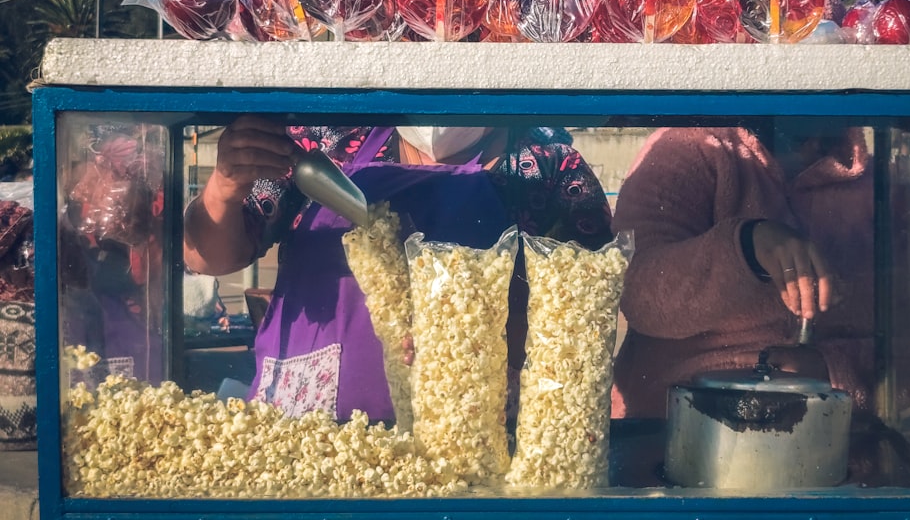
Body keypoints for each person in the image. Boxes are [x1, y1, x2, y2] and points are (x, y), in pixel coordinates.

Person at [184, 117, 613, 421]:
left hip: (462, 438)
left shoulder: (549, 165)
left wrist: (467, 344)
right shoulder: (329, 136)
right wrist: (224, 187)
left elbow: (581, 321)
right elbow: (209, 258)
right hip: (304, 432)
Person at [611, 121, 910, 420]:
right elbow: (638, 294)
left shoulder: (884, 189)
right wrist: (746, 246)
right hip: (671, 432)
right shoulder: (690, 146)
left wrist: (830, 370)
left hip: (833, 447)